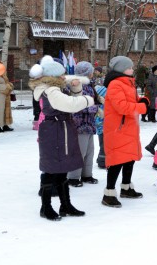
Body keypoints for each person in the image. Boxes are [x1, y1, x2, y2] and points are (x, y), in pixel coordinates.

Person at [29, 56, 94, 221]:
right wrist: (88, 99)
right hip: (54, 131)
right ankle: (46, 207)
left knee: (62, 168)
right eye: (62, 74)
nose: (64, 76)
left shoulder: (55, 87)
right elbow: (70, 105)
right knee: (51, 169)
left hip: (62, 129)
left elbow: (71, 98)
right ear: (54, 76)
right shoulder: (51, 90)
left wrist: (76, 86)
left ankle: (65, 205)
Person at [101, 56, 149, 208]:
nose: (132, 69)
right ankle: (108, 193)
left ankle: (126, 188)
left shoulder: (128, 83)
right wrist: (142, 107)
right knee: (117, 161)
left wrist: (141, 100)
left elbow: (130, 101)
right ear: (122, 69)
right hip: (118, 129)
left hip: (128, 127)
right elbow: (121, 106)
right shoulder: (116, 84)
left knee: (129, 158)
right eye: (129, 67)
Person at [67, 61, 100, 187]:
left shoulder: (89, 85)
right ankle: (73, 177)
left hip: (89, 124)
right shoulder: (77, 86)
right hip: (79, 124)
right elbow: (76, 106)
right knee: (79, 152)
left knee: (89, 151)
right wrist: (95, 109)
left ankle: (87, 175)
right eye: (90, 71)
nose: (93, 73)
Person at [94, 85, 107, 169]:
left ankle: (101, 159)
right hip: (103, 126)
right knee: (104, 145)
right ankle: (101, 161)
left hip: (100, 127)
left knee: (102, 143)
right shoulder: (102, 105)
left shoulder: (99, 104)